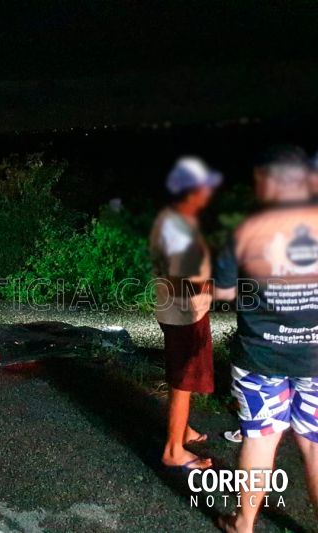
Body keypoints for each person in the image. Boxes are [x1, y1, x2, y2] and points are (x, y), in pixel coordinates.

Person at [215, 146, 318, 532]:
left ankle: (243, 524)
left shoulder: (246, 231)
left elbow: (224, 293)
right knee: (315, 445)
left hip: (261, 359)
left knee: (260, 441)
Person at [149, 157, 221, 471]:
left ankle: (182, 429)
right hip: (184, 314)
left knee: (184, 376)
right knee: (183, 380)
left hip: (179, 310)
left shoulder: (175, 219)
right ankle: (173, 450)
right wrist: (211, 289)